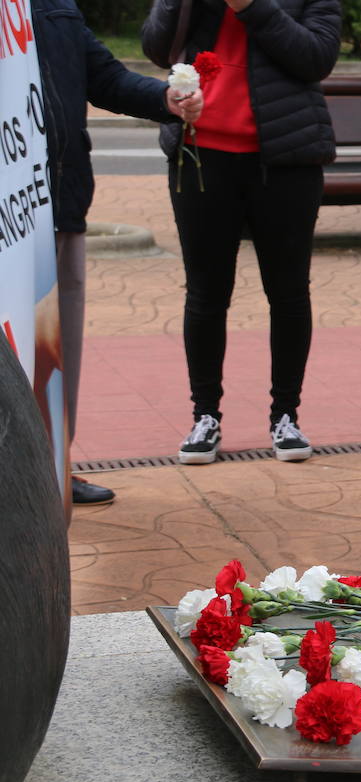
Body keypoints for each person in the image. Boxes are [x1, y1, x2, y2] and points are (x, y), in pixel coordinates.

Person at [142, 0, 341, 465]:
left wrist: (252, 7)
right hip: (201, 151)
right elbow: (157, 48)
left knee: (289, 292)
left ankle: (285, 416)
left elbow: (316, 58)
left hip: (286, 156)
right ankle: (205, 416)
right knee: (206, 293)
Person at [33, 0, 203, 506]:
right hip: (10, 221)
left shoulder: (55, 6)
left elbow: (103, 77)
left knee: (57, 354)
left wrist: (168, 98)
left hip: (61, 205)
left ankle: (52, 471)